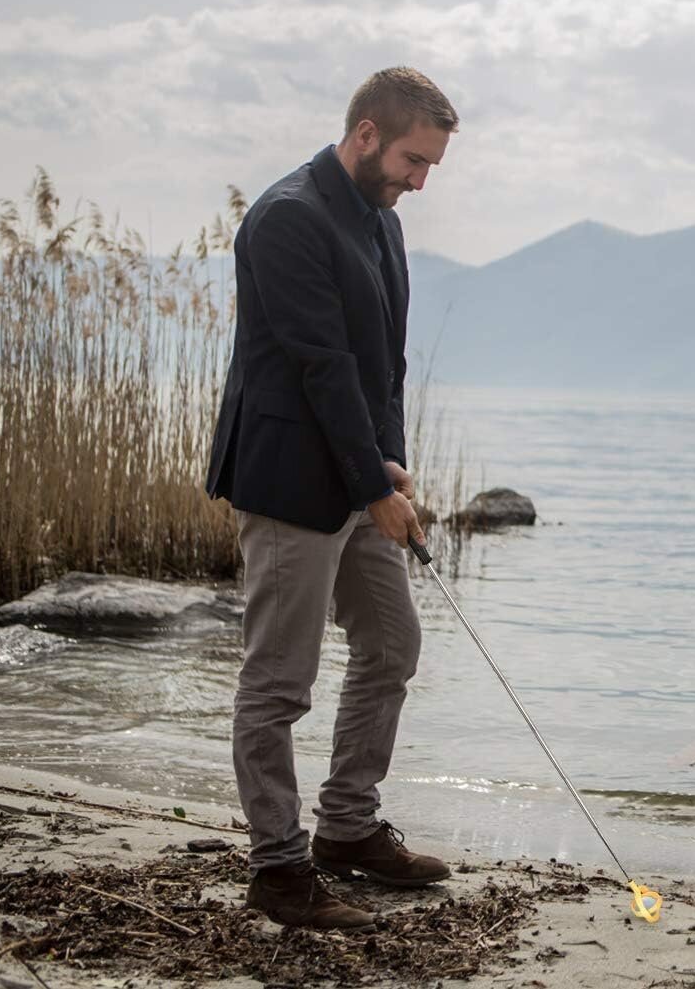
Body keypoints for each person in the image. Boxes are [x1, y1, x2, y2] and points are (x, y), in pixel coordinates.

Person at [205, 67, 459, 930]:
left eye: (429, 166)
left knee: (391, 642)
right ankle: (278, 868)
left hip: (356, 477)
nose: (420, 181)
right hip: (285, 481)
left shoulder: (378, 219)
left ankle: (346, 829)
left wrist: (386, 466)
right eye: (413, 160)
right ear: (363, 135)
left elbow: (378, 363)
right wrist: (367, 484)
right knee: (278, 683)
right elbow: (322, 365)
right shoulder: (287, 218)